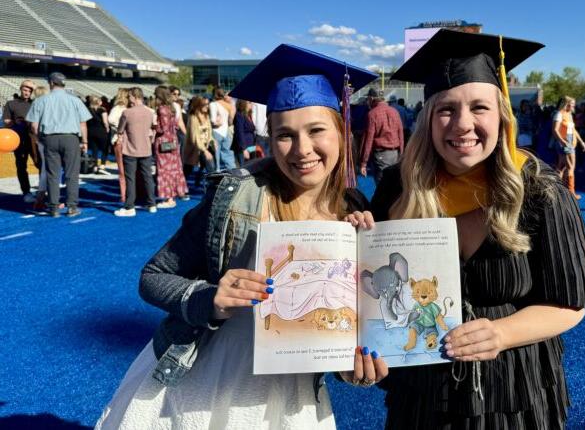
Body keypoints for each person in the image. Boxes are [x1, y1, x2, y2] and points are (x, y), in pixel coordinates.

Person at [95, 44, 384, 429]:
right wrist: (210, 298)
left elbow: (338, 323)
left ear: (341, 132)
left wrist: (352, 367)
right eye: (285, 135)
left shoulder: (354, 210)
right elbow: (152, 278)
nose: (301, 150)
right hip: (209, 376)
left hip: (291, 391)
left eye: (317, 130)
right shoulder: (237, 194)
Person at [360, 29, 585, 429]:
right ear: (429, 119)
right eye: (446, 109)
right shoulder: (400, 187)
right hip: (421, 396)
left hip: (513, 393)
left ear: (501, 115)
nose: (463, 124)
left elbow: (571, 302)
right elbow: (371, 295)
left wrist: (501, 334)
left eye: (479, 107)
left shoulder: (540, 190)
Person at [26, 73, 91, 217]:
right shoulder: (75, 100)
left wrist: (40, 139)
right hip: (70, 138)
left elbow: (34, 126)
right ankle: (72, 207)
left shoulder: (41, 100)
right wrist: (85, 141)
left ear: (51, 83)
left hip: (50, 138)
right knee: (71, 174)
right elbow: (83, 124)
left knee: (52, 174)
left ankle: (54, 207)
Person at [114, 87, 157, 217]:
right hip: (145, 149)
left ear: (133, 97)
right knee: (148, 177)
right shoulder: (150, 112)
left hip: (131, 149)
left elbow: (120, 129)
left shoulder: (127, 113)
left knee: (130, 179)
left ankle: (130, 206)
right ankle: (152, 203)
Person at [153, 86, 189, 208]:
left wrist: (153, 126)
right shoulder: (172, 108)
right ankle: (174, 194)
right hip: (173, 140)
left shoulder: (162, 109)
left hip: (163, 141)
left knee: (164, 170)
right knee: (174, 169)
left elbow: (162, 128)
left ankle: (168, 198)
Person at [2, 79, 37, 203]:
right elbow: (5, 120)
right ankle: (26, 192)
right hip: (18, 140)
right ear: (21, 89)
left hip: (34, 139)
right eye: (25, 90)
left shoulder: (36, 103)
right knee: (21, 166)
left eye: (29, 91)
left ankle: (44, 189)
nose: (27, 92)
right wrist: (14, 122)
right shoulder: (11, 103)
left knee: (41, 164)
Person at [360, 88, 404, 184]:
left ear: (371, 98)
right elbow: (401, 133)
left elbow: (368, 140)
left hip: (381, 156)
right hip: (395, 154)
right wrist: (401, 153)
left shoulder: (372, 114)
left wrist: (363, 162)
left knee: (382, 185)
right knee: (395, 184)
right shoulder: (394, 111)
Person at [552, 96, 585, 199]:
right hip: (565, 143)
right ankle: (570, 192)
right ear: (566, 104)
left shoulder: (569, 115)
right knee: (570, 167)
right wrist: (562, 141)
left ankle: (558, 190)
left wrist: (581, 142)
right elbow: (555, 130)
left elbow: (573, 130)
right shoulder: (559, 114)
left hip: (570, 143)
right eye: (572, 104)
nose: (574, 106)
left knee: (561, 167)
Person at [182, 96, 216, 187]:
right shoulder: (193, 118)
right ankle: (181, 187)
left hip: (205, 146)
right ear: (198, 105)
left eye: (208, 104)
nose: (207, 106)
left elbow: (209, 132)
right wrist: (204, 150)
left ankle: (212, 187)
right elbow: (194, 138)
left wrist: (212, 140)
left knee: (210, 167)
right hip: (194, 149)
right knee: (188, 169)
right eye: (204, 105)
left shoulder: (206, 116)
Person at [109, 88, 130, 202]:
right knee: (125, 170)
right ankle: (125, 194)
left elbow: (111, 120)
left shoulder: (118, 109)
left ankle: (125, 194)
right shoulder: (120, 109)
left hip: (122, 140)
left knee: (123, 170)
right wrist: (121, 128)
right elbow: (111, 120)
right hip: (124, 140)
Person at [209, 87, 236, 171]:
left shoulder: (213, 104)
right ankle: (233, 172)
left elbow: (213, 121)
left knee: (216, 156)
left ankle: (216, 174)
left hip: (216, 131)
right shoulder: (229, 105)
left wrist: (217, 122)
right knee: (228, 154)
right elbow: (230, 121)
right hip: (226, 131)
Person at [86, 96, 111, 174]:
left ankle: (95, 166)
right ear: (98, 102)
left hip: (91, 131)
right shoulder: (102, 110)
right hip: (101, 131)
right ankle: (102, 165)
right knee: (105, 149)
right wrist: (107, 128)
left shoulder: (88, 110)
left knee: (94, 150)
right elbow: (105, 121)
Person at [232, 99, 257, 167]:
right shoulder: (239, 115)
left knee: (252, 166)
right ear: (243, 104)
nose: (251, 104)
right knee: (243, 168)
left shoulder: (248, 115)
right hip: (243, 147)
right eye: (249, 102)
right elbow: (239, 132)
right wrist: (244, 149)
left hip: (251, 146)